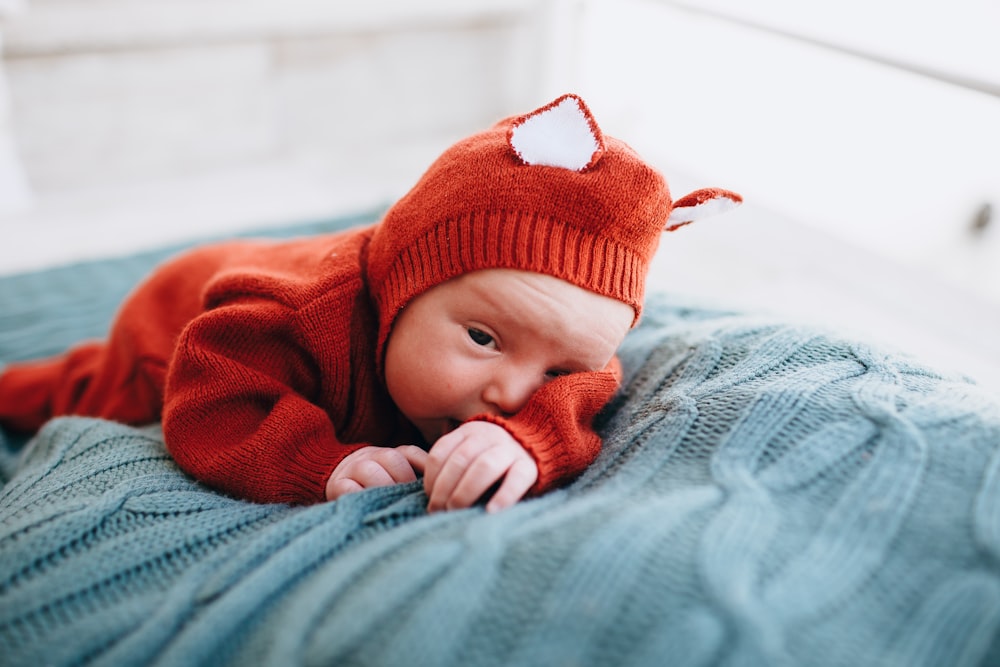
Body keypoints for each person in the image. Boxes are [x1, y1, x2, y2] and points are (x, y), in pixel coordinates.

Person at [0, 94, 740, 512]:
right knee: (87, 388)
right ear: (399, 288)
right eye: (484, 337)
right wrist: (318, 462)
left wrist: (532, 439)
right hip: (176, 313)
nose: (511, 392)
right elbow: (211, 396)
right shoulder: (289, 317)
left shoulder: (557, 351)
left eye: (552, 369)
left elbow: (590, 383)